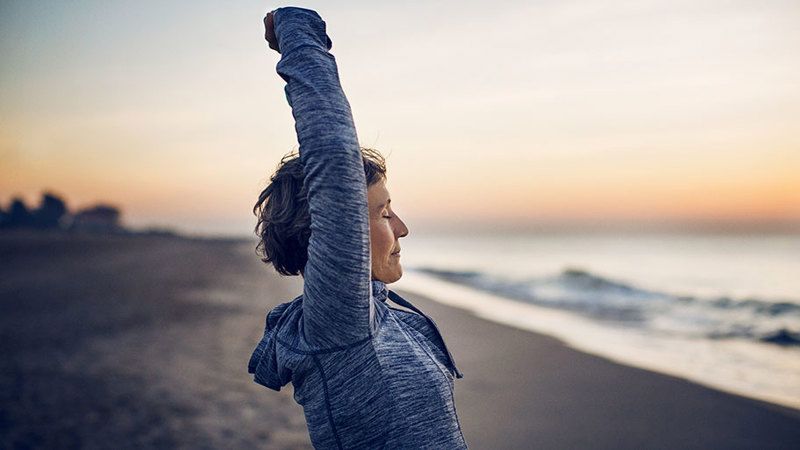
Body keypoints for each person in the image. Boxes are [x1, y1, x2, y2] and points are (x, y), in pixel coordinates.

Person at [248, 7, 467, 449]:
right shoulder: (341, 321)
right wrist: (297, 33)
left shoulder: (374, 313)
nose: (402, 229)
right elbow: (332, 151)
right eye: (384, 213)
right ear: (334, 231)